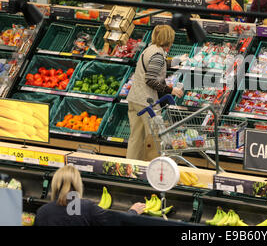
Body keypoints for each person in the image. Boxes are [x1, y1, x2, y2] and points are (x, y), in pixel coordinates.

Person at [126, 24, 185, 161]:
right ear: (169, 39)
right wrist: (171, 90)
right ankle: (156, 168)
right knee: (156, 137)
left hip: (135, 99)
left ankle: (130, 168)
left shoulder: (150, 49)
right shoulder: (158, 55)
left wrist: (179, 60)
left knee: (136, 138)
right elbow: (150, 80)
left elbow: (160, 64)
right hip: (147, 103)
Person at [34, 165, 146, 226]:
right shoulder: (86, 208)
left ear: (55, 184)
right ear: (78, 184)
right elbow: (116, 221)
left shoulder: (42, 212)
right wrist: (133, 212)